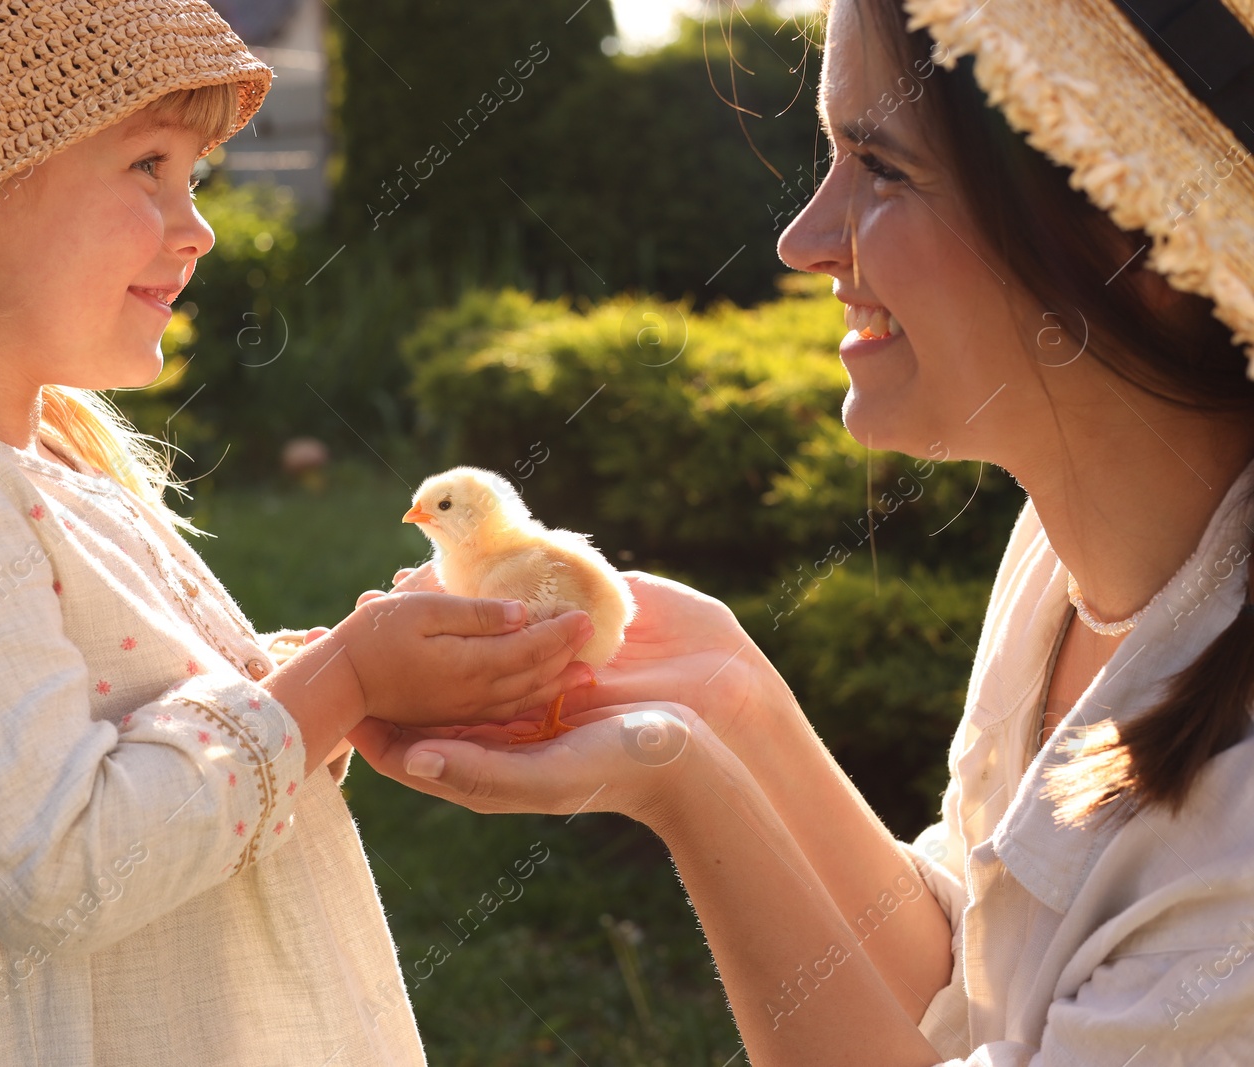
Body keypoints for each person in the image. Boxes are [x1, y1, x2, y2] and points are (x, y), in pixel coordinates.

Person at [349, 0, 1254, 1062]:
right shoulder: (1062, 560)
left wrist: (683, 786)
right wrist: (734, 696)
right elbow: (969, 972)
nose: (801, 239)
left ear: (1125, 232)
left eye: (878, 166)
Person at [0, 0, 597, 1062]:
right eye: (148, 164)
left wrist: (310, 678)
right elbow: (61, 862)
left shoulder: (27, 459)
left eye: (192, 176)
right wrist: (343, 684)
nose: (198, 227)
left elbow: (116, 720)